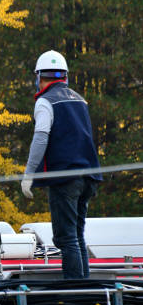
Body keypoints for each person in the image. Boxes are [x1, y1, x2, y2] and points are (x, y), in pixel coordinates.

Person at [21, 50, 102, 279]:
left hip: (65, 178)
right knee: (77, 235)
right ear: (66, 76)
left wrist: (29, 174)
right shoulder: (79, 99)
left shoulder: (45, 101)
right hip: (89, 176)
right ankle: (84, 286)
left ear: (38, 77)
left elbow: (41, 137)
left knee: (66, 238)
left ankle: (76, 289)